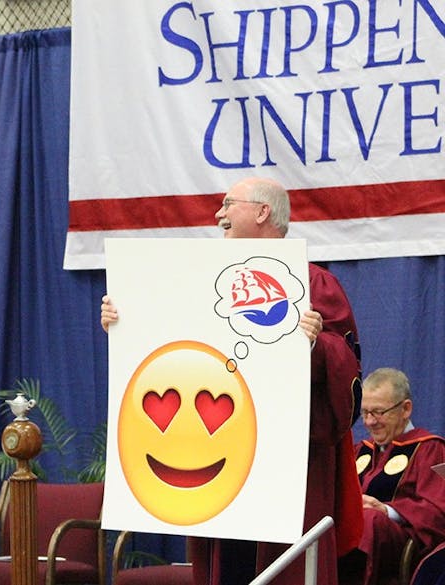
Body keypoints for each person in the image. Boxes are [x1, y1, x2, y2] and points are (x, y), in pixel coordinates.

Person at [100, 177, 364, 585]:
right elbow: (173, 344)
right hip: (222, 448)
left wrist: (316, 347)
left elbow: (345, 375)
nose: (218, 214)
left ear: (262, 212)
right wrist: (125, 323)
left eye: (228, 204)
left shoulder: (312, 284)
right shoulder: (202, 282)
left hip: (288, 465)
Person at [354, 367, 445, 585]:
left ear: (405, 409)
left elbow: (438, 510)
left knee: (369, 519)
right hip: (356, 538)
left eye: (378, 412)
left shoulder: (431, 449)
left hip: (398, 547)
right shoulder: (360, 450)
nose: (369, 422)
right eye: (365, 413)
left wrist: (387, 510)